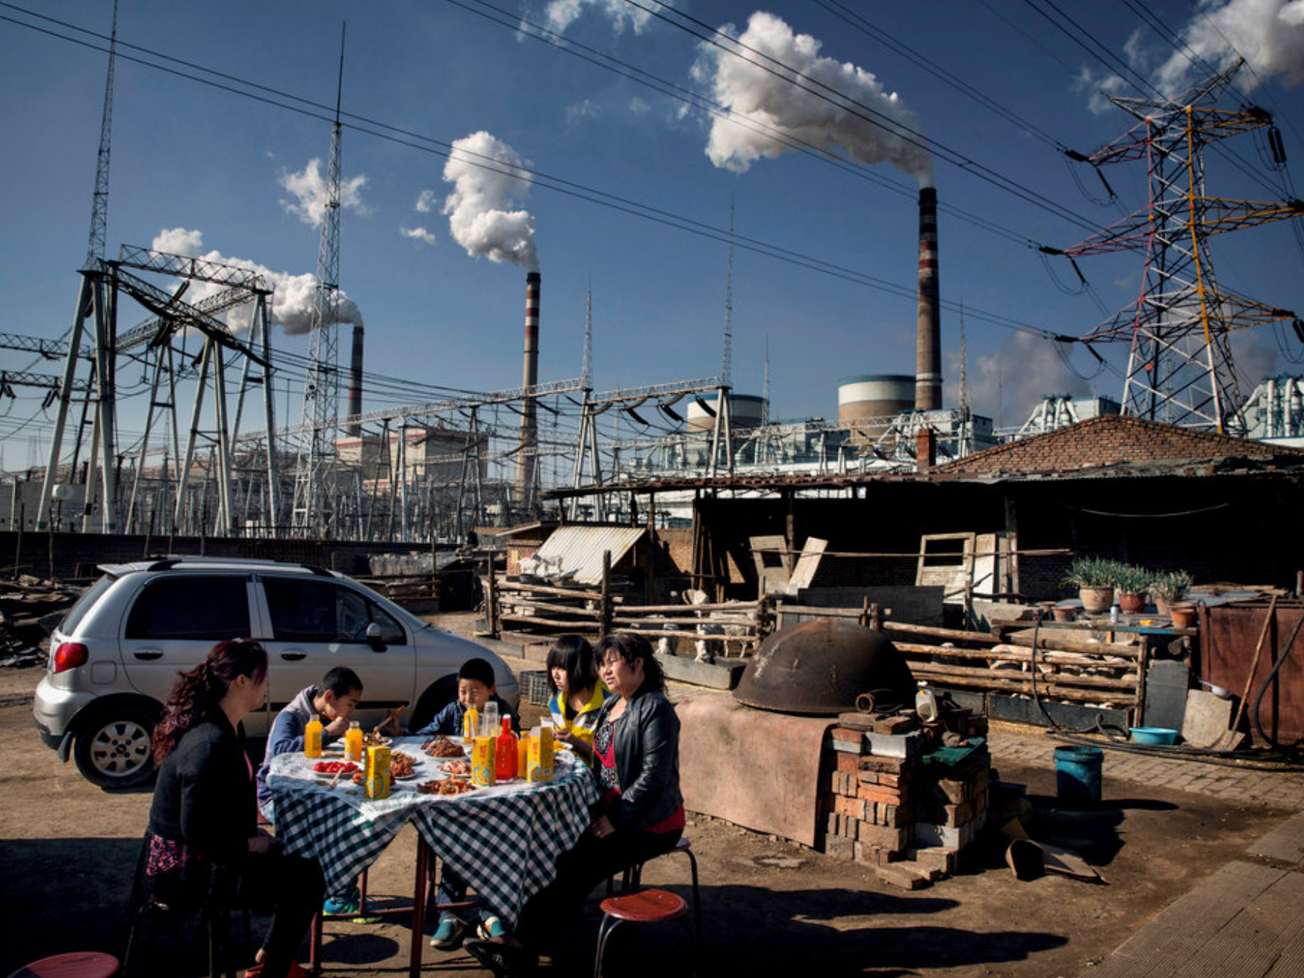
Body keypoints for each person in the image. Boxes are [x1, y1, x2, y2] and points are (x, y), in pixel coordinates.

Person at [464, 631, 683, 977]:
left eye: (613, 662)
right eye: (602, 663)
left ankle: (523, 947)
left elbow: (652, 780)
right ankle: (523, 934)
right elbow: (602, 761)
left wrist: (614, 819)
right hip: (609, 810)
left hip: (651, 823)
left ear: (638, 664)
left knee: (573, 861)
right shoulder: (613, 704)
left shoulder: (654, 709)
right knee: (553, 845)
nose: (606, 670)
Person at [138, 639, 323, 978]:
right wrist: (250, 844)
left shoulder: (225, 725)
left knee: (301, 860)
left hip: (211, 854)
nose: (267, 686)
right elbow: (197, 830)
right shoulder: (209, 742)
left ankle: (271, 957)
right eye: (262, 678)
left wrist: (253, 835)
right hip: (188, 872)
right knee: (309, 876)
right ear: (241, 681)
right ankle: (274, 969)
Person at [255, 665, 396, 916]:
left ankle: (338, 889)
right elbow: (280, 752)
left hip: (309, 792)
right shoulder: (292, 716)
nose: (352, 710)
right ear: (329, 697)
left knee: (348, 817)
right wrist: (327, 732)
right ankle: (334, 895)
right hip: (277, 797)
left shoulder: (320, 713)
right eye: (351, 704)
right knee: (337, 827)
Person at [410, 657, 519, 950]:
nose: (468, 698)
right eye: (463, 691)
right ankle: (450, 913)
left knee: (495, 845)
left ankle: (491, 913)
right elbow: (428, 735)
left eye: (475, 691)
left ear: (492, 690)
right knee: (451, 841)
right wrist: (405, 736)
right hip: (456, 790)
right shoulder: (453, 710)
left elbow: (515, 744)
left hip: (492, 794)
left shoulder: (502, 714)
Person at [545, 634, 613, 750]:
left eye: (562, 668)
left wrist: (576, 743)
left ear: (580, 668)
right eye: (553, 668)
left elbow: (611, 759)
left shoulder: (610, 703)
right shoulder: (555, 700)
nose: (555, 675)